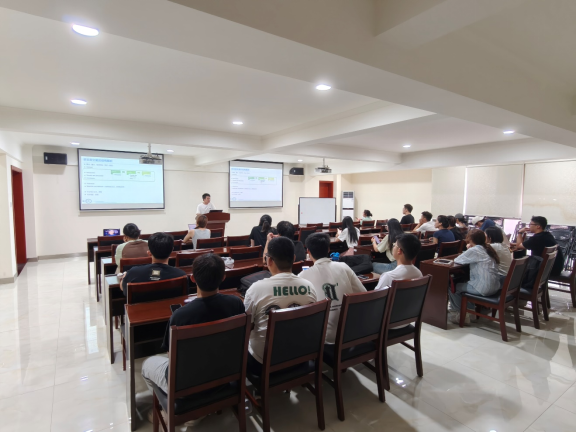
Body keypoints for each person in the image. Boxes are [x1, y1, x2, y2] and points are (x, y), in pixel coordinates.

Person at [140, 253, 245, 425]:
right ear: (224, 277)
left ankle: (175, 411)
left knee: (147, 364)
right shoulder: (236, 303)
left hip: (186, 384)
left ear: (193, 278)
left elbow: (172, 356)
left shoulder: (180, 315)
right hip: (225, 373)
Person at [244, 237, 317, 373]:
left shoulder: (255, 289)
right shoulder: (310, 287)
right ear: (294, 258)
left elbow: (247, 327)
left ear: (269, 260)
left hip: (264, 363)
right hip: (301, 356)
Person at [299, 233, 366, 344]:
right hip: (351, 333)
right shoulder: (344, 267)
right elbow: (363, 294)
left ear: (308, 251)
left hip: (323, 340)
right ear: (329, 249)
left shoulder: (302, 276)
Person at [448, 230, 501, 325]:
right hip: (495, 287)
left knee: (453, 287)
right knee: (466, 282)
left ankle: (458, 315)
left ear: (471, 240)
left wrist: (469, 249)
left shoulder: (475, 250)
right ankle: (470, 314)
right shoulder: (488, 249)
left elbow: (457, 260)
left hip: (483, 288)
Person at [118, 232, 188, 294]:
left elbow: (123, 288)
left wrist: (125, 277)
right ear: (171, 251)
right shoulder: (181, 275)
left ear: (149, 253)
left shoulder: (133, 273)